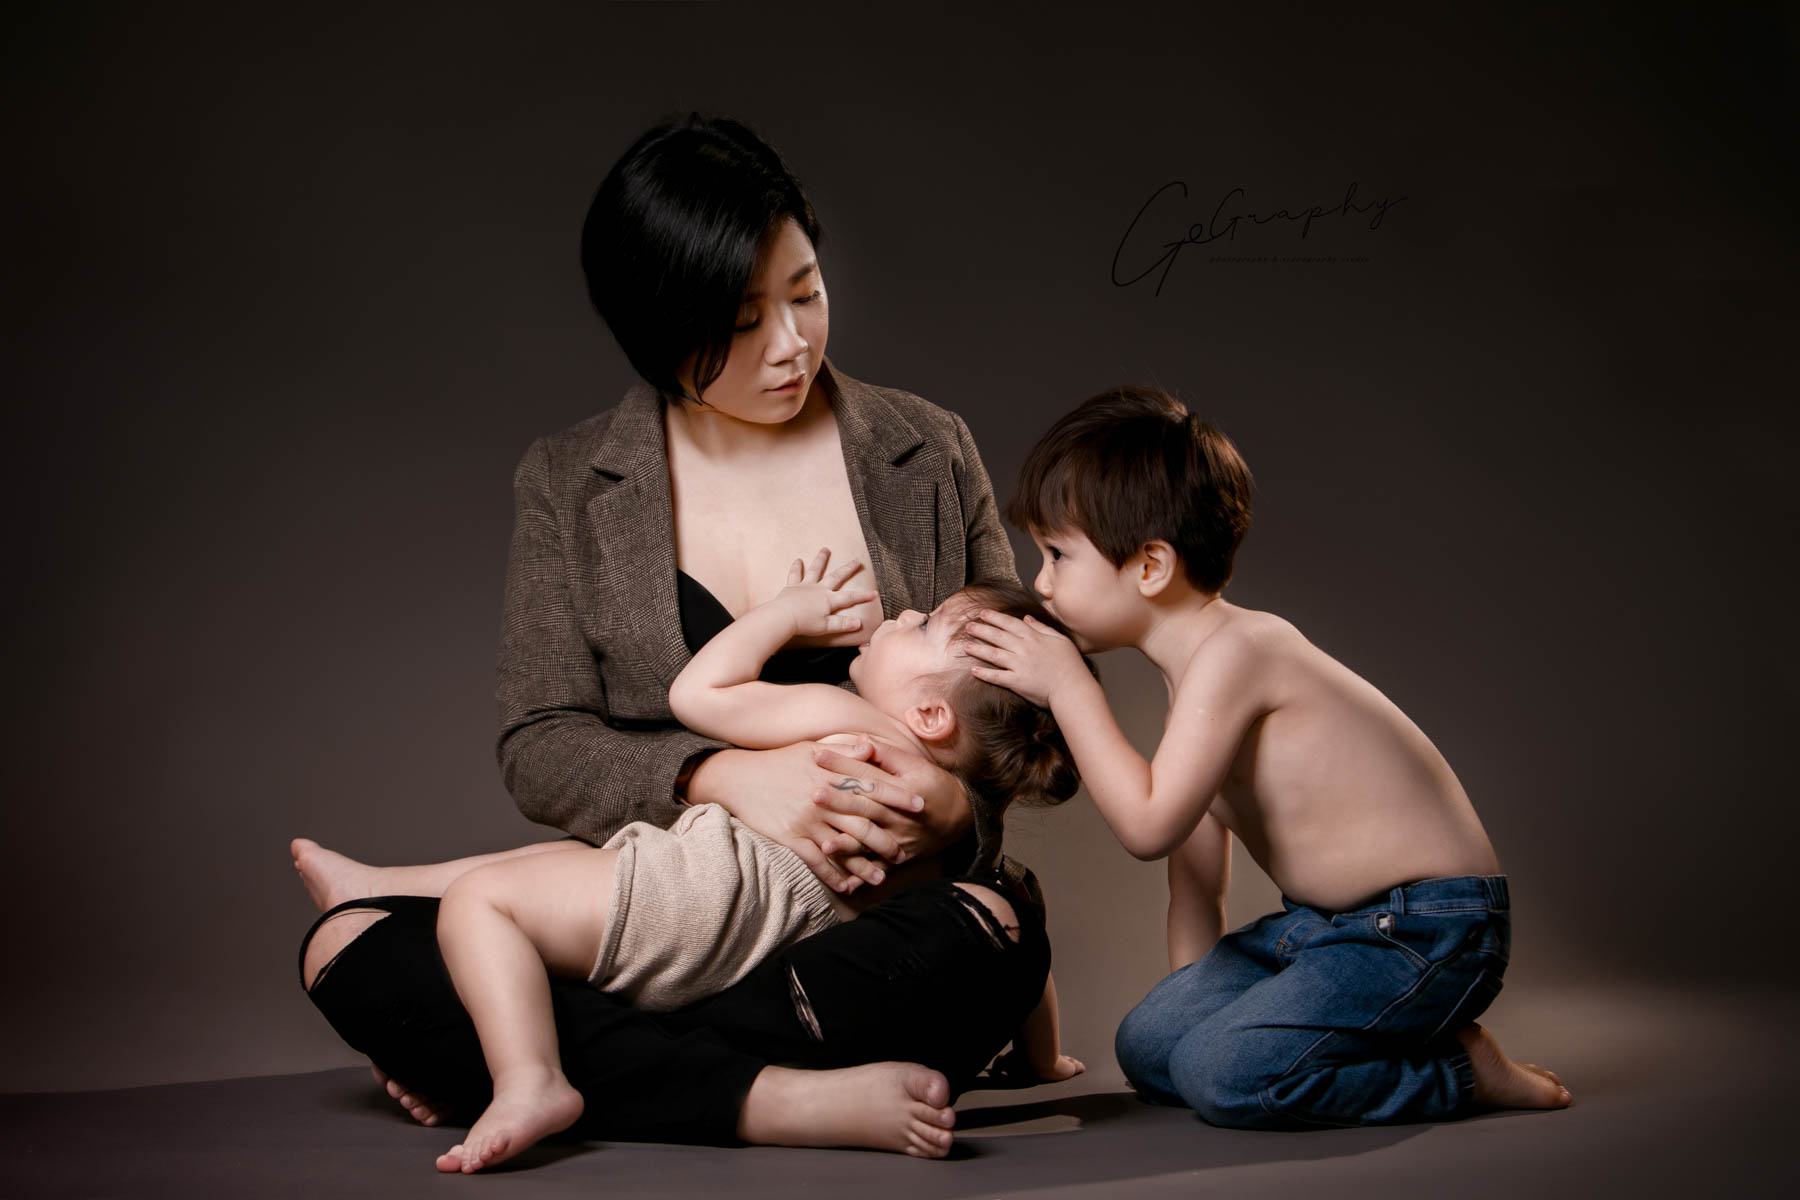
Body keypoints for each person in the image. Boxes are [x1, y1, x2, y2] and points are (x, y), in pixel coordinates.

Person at [297, 113, 1057, 1157]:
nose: (790, 344)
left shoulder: (927, 447)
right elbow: (542, 744)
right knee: (348, 945)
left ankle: (555, 1064)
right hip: (671, 912)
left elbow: (1018, 697)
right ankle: (772, 1099)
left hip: (861, 934)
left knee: (990, 930)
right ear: (657, 331)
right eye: (742, 322)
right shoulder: (569, 484)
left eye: (806, 292)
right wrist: (721, 777)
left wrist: (953, 815)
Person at [300, 571, 1088, 1171]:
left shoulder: (850, 718)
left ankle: (529, 1078)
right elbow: (1026, 941)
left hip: (699, 893)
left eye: (924, 626)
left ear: (929, 716)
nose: (905, 614)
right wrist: (1042, 1060)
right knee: (563, 867)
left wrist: (786, 614)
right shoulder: (954, 836)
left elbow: (699, 693)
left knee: (483, 904)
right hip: (760, 935)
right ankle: (384, 886)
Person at [964, 385, 1574, 1129]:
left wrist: (1068, 687)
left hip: (1429, 929)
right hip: (1325, 931)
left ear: (1151, 565)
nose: (1041, 582)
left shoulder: (1243, 650)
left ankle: (1460, 1071)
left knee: (1222, 1077)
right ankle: (1251, 1052)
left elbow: (1148, 828)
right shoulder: (1192, 700)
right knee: (1151, 1049)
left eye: (1058, 554)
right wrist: (1188, 1015)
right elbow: (1195, 889)